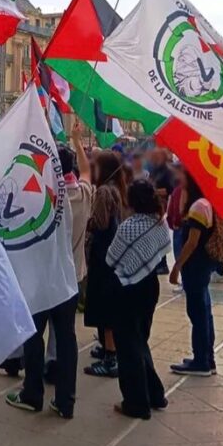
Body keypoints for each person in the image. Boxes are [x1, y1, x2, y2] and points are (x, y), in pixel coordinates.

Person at [4, 143, 82, 419]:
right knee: (66, 339)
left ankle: (32, 393)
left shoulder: (37, 197)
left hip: (40, 281)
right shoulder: (66, 197)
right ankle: (66, 400)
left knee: (33, 337)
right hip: (65, 279)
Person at [106, 179, 170, 419]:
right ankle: (155, 394)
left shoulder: (129, 227)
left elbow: (112, 258)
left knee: (128, 347)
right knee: (140, 341)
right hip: (150, 287)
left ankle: (136, 403)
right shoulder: (159, 222)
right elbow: (163, 249)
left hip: (127, 290)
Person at [82, 147, 125, 378]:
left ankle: (110, 357)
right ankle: (109, 349)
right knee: (109, 306)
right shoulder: (117, 189)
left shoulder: (103, 192)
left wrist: (86, 221)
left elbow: (100, 222)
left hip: (102, 255)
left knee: (104, 308)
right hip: (113, 255)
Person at [169, 172, 217, 376]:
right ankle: (207, 358)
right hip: (202, 266)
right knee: (204, 312)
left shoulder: (198, 207)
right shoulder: (205, 203)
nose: (180, 181)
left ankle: (201, 362)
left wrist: (177, 266)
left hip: (195, 266)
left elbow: (191, 242)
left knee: (197, 313)